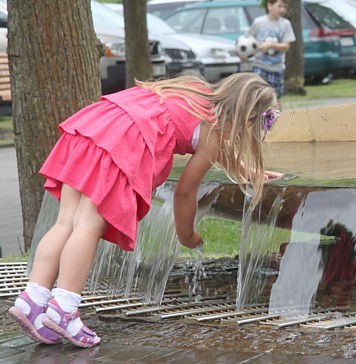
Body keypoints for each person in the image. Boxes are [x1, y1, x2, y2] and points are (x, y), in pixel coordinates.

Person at [8, 72, 281, 348]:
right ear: (247, 120)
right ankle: (64, 309)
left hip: (96, 126)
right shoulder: (213, 136)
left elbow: (209, 135)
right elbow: (185, 192)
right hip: (122, 143)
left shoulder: (192, 89)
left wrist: (242, 168)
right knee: (88, 225)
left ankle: (33, 299)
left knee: (65, 221)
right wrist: (186, 234)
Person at [242, 0, 296, 97]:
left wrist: (270, 45)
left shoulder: (285, 24)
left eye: (285, 7)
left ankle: (273, 114)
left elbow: (286, 46)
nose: (282, 9)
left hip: (277, 67)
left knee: (275, 97)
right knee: (259, 95)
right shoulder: (259, 22)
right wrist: (244, 55)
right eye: (279, 6)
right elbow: (247, 40)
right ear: (270, 6)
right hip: (260, 66)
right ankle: (259, 114)